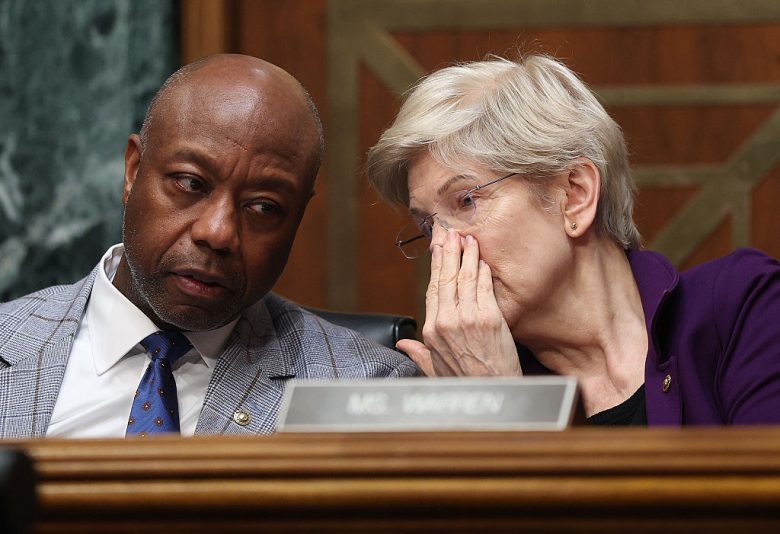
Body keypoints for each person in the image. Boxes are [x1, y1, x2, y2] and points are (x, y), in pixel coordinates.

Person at [0, 54, 418, 439]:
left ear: (297, 219)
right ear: (133, 171)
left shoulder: (368, 389)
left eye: (263, 206)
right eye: (190, 183)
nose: (218, 233)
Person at [367, 54, 780, 425]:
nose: (443, 247)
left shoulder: (742, 306)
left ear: (575, 196)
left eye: (467, 199)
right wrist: (482, 405)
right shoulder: (457, 378)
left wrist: (506, 408)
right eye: (427, 226)